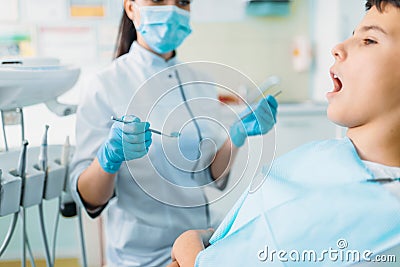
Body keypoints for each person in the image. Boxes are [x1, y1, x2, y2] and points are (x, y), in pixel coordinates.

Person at [167, 0, 400, 266]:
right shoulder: (324, 156)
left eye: (369, 40)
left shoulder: (379, 213)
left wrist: (190, 246)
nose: (336, 48)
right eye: (352, 36)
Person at [69, 0, 278, 266]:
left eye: (182, 2)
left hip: (198, 245)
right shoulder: (104, 84)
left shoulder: (200, 83)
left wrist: (236, 137)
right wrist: (110, 157)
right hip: (138, 255)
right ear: (131, 8)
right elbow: (88, 197)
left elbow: (209, 174)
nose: (171, 9)